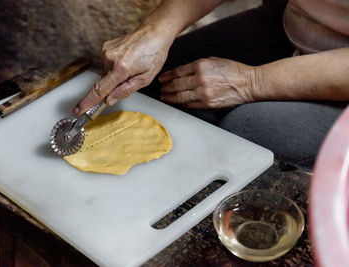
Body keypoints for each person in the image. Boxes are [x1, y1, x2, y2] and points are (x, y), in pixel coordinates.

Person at [73, 0, 349, 171]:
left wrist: (251, 82)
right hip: (292, 20)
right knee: (155, 84)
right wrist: (156, 30)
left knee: (246, 131)